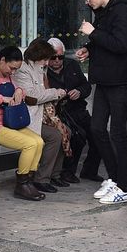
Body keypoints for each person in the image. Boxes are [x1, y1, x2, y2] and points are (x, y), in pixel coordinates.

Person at [76, 0, 127, 205]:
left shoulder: (123, 11)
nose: (87, 3)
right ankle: (115, 177)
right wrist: (89, 48)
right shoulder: (104, 12)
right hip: (104, 79)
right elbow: (105, 41)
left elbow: (120, 44)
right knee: (97, 129)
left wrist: (92, 32)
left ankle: (123, 187)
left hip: (119, 81)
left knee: (117, 133)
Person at [15, 39, 73, 193]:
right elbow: (32, 96)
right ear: (37, 55)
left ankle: (54, 174)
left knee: (65, 131)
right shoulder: (24, 69)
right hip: (28, 117)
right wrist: (55, 93)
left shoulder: (39, 68)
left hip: (42, 114)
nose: (48, 62)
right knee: (54, 136)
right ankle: (42, 178)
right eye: (46, 58)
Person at [0, 45, 45, 201]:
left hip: (10, 121)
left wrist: (20, 90)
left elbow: (17, 87)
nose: (13, 72)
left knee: (39, 142)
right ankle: (21, 185)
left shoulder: (8, 75)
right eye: (11, 68)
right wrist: (4, 99)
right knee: (29, 144)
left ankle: (29, 182)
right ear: (2, 60)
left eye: (16, 70)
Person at [45, 37, 92, 185]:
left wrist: (79, 91)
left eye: (60, 57)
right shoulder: (44, 72)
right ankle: (66, 171)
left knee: (98, 134)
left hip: (78, 108)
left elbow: (86, 86)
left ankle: (90, 169)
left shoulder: (72, 65)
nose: (57, 60)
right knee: (76, 136)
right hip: (60, 113)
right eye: (53, 57)